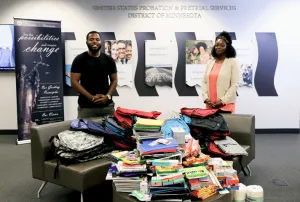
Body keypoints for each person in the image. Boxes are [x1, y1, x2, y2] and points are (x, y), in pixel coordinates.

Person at [71, 31, 118, 118]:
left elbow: (114, 80)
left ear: (101, 42)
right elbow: (74, 82)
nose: (94, 42)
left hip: (107, 107)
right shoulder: (79, 59)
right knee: (83, 131)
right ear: (87, 42)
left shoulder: (108, 59)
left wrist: (107, 96)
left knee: (111, 131)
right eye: (91, 39)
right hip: (86, 108)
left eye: (97, 39)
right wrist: (91, 97)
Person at [201, 31, 239, 113]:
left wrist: (222, 101)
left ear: (227, 47)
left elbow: (234, 84)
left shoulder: (232, 62)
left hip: (225, 106)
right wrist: (206, 98)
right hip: (210, 105)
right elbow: (204, 82)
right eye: (217, 45)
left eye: (222, 45)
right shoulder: (210, 62)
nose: (218, 47)